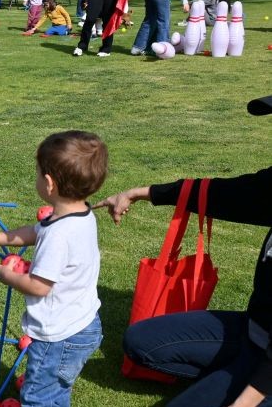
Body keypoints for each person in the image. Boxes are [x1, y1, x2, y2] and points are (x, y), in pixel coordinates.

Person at [96, 95, 272, 407]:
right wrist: (140, 193)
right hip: (254, 333)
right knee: (142, 342)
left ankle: (239, 384)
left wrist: (243, 401)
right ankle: (230, 374)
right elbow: (224, 194)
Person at [0, 130, 108, 407]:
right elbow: (35, 231)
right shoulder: (81, 214)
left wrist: (9, 276)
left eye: (37, 174)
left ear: (48, 183)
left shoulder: (59, 236)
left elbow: (39, 286)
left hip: (59, 336)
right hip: (84, 324)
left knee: (37, 397)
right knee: (55, 390)